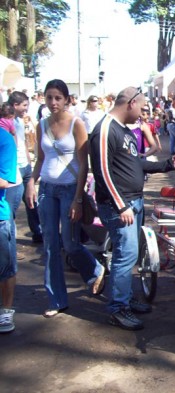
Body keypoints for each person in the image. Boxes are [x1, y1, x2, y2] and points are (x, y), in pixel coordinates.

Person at [89, 86, 175, 331]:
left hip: (134, 202)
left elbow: (137, 163)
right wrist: (121, 205)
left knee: (130, 254)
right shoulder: (105, 129)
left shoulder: (126, 132)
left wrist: (166, 166)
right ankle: (117, 309)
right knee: (126, 254)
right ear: (130, 102)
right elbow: (102, 171)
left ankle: (125, 298)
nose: (143, 114)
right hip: (120, 206)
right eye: (142, 108)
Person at [25, 79, 105, 318]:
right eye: (49, 97)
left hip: (70, 189)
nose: (53, 102)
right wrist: (31, 181)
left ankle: (94, 268)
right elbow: (40, 158)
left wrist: (78, 198)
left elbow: (83, 164)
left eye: (58, 97)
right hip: (47, 189)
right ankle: (56, 299)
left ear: (67, 99)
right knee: (50, 245)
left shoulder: (76, 124)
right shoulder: (41, 124)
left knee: (69, 244)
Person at [8, 91, 43, 244]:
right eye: (24, 106)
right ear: (15, 105)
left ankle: (38, 232)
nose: (26, 109)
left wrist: (29, 161)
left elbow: (22, 143)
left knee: (32, 202)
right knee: (12, 207)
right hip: (14, 169)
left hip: (26, 167)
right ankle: (9, 240)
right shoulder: (5, 122)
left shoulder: (20, 121)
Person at [0, 124, 18, 333]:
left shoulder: (4, 140)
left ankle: (5, 311)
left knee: (5, 268)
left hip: (1, 217)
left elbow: (4, 181)